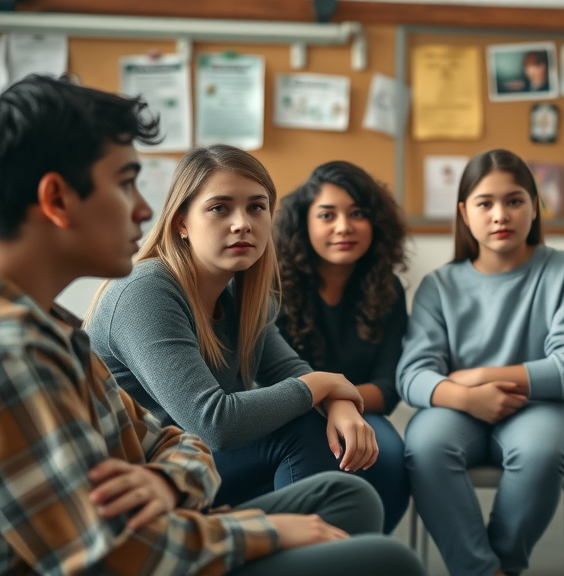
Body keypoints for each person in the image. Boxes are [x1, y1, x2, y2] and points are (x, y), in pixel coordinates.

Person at [0, 74, 424, 576]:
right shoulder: (47, 337)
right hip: (145, 542)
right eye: (125, 183)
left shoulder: (59, 328)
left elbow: (169, 443)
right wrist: (258, 530)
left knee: (348, 496)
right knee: (387, 554)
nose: (141, 209)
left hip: (163, 508)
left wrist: (171, 481)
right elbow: (207, 432)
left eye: (256, 208)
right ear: (56, 199)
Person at [87, 145, 379, 509]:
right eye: (219, 208)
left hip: (193, 468)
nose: (242, 222)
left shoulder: (241, 293)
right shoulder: (145, 291)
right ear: (181, 222)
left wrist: (339, 403)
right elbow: (214, 423)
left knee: (340, 452)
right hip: (138, 486)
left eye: (256, 207)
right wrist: (325, 383)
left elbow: (286, 370)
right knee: (303, 433)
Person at [398, 148, 564, 576]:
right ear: (464, 212)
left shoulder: (563, 270)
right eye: (485, 203)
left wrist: (481, 376)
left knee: (539, 449)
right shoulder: (439, 285)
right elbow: (412, 375)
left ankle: (504, 567)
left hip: (548, 409)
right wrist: (467, 397)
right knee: (425, 446)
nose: (501, 215)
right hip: (460, 408)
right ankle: (480, 570)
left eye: (514, 201)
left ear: (535, 206)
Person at [274, 160, 410, 534]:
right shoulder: (273, 283)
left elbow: (388, 387)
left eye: (357, 213)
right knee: (313, 454)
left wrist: (343, 403)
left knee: (391, 457)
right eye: (327, 215)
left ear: (375, 224)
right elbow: (268, 375)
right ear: (304, 223)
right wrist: (332, 401)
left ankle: (364, 553)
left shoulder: (388, 288)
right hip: (287, 412)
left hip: (364, 410)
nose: (343, 227)